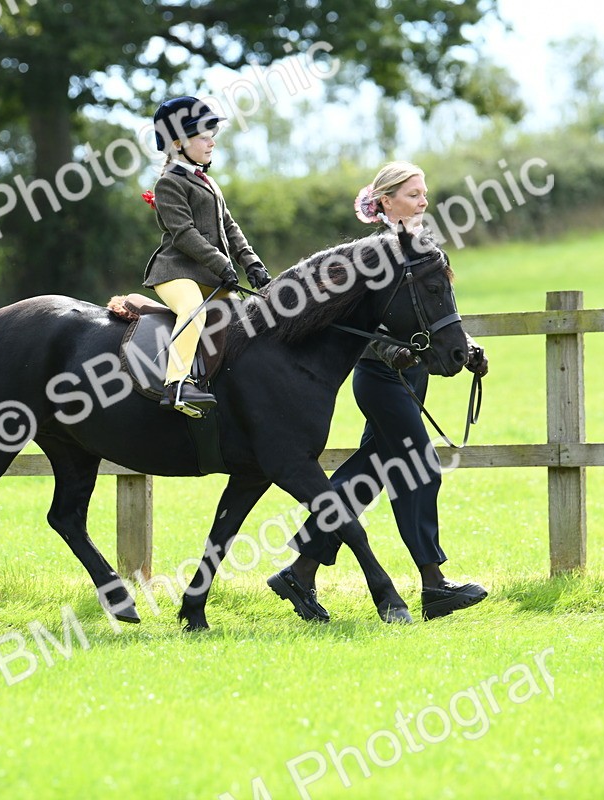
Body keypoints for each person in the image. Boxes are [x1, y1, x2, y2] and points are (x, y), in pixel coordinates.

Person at [266, 161, 490, 622]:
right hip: (381, 379)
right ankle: (433, 583)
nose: (423, 201)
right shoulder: (373, 255)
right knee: (420, 470)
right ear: (386, 201)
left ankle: (300, 572)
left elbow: (436, 312)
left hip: (413, 379)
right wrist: (391, 351)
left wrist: (466, 347)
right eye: (412, 194)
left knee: (363, 480)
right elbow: (354, 321)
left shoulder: (424, 247)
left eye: (423, 192)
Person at [143, 96, 271, 417]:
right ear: (178, 144)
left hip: (211, 275)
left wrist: (252, 263)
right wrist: (222, 263)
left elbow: (230, 227)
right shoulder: (168, 184)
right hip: (176, 272)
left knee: (249, 319)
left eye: (211, 135)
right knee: (192, 311)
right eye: (203, 137)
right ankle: (176, 385)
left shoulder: (208, 182)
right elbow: (184, 234)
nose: (212, 142)